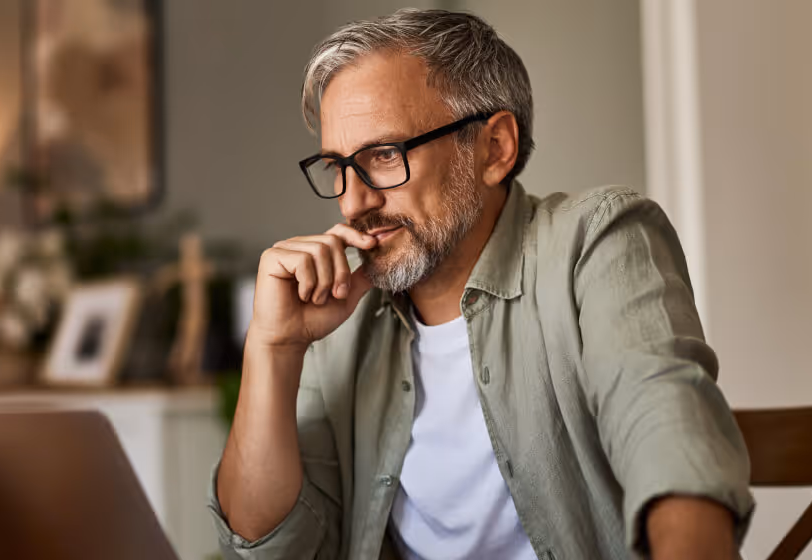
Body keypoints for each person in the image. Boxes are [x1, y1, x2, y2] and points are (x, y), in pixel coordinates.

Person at [210, 9, 753, 560]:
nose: (353, 202)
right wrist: (273, 347)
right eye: (338, 166)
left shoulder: (595, 243)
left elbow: (671, 445)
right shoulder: (340, 314)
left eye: (384, 155)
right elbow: (270, 547)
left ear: (495, 148)